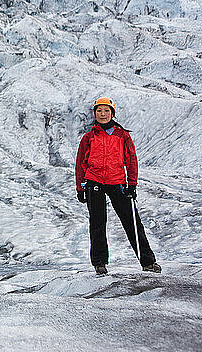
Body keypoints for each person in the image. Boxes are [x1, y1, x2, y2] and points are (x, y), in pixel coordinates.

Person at [75, 97, 161, 275]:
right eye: (99, 111)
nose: (103, 114)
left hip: (118, 181)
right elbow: (80, 164)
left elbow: (131, 161)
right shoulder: (89, 137)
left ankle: (148, 262)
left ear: (112, 113)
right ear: (95, 113)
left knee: (132, 222)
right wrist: (80, 187)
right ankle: (99, 263)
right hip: (94, 181)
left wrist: (132, 184)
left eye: (106, 111)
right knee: (97, 223)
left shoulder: (122, 135)